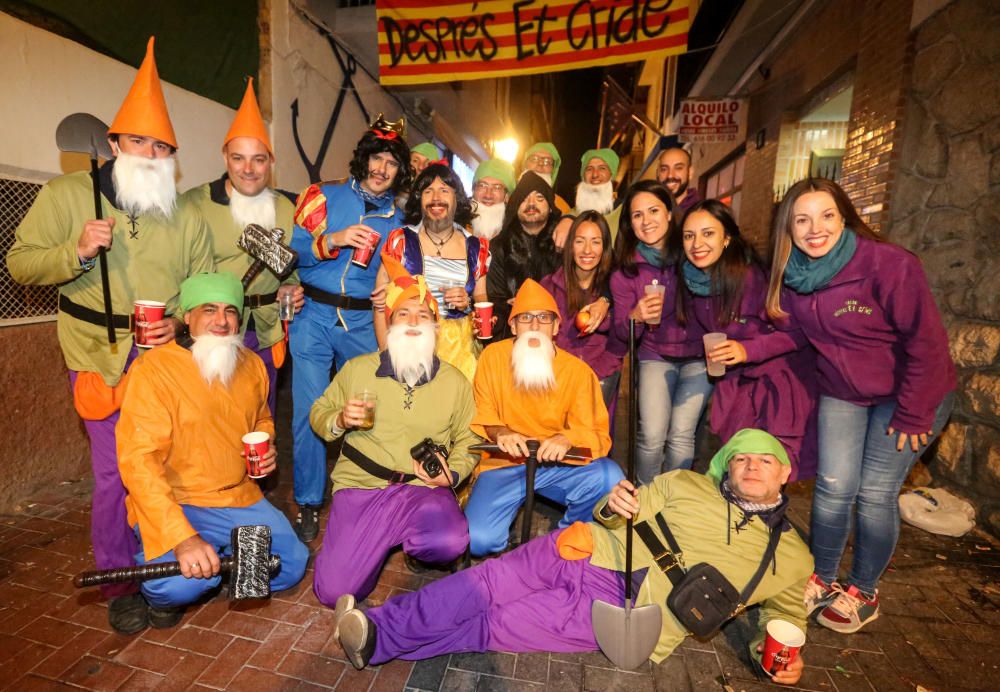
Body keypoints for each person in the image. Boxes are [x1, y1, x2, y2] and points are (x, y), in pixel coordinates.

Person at [334, 428, 811, 689]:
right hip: (587, 549)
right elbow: (612, 513)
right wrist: (611, 504)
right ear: (726, 465)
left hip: (630, 615)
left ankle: (376, 643)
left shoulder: (792, 557)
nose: (751, 467)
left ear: (784, 473)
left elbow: (786, 616)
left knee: (497, 623)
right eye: (742, 459)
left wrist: (773, 659)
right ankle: (378, 630)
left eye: (764, 461)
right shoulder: (685, 483)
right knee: (484, 585)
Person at [6, 37, 214, 634]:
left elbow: (200, 288)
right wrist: (74, 250)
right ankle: (122, 583)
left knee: (162, 465)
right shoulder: (66, 196)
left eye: (163, 146)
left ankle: (161, 573)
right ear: (117, 143)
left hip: (162, 356)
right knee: (113, 474)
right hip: (96, 354)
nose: (152, 152)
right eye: (141, 141)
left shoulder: (187, 214)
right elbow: (21, 263)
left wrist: (181, 322)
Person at [767, 178, 955, 633]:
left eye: (827, 215)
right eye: (802, 219)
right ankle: (823, 577)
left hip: (910, 393)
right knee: (833, 486)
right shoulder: (792, 276)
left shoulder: (888, 265)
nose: (816, 229)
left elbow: (927, 344)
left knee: (873, 493)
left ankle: (864, 590)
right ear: (787, 230)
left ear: (845, 216)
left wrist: (914, 412)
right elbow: (792, 335)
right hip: (844, 394)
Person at [117, 272, 308, 628]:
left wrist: (267, 451)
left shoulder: (251, 364)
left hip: (237, 497)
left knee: (291, 564)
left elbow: (262, 420)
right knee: (173, 586)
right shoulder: (153, 369)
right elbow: (138, 463)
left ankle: (219, 557)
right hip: (179, 501)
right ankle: (209, 559)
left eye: (230, 311)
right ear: (187, 317)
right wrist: (183, 538)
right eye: (209, 310)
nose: (221, 321)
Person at [308, 260, 480, 607]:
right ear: (389, 322)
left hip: (422, 489)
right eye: (403, 314)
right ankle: (371, 548)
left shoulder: (454, 381)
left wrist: (453, 473)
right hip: (362, 487)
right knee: (333, 592)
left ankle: (414, 541)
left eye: (423, 314)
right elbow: (318, 414)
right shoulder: (358, 370)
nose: (414, 321)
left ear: (436, 325)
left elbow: (470, 439)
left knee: (448, 541)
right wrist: (340, 419)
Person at [288, 115, 410, 542]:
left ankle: (361, 495)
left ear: (399, 171)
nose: (382, 169)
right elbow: (295, 252)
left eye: (391, 164)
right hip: (313, 317)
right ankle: (308, 501)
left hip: (361, 320)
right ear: (364, 159)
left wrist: (389, 294)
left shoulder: (399, 219)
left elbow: (402, 274)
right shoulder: (321, 195)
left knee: (366, 412)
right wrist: (333, 239)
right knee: (309, 410)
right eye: (376, 158)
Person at [464, 279, 624, 557]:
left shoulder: (577, 371)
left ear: (556, 327)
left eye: (544, 318)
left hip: (556, 463)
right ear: (513, 326)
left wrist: (567, 438)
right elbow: (485, 411)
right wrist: (501, 433)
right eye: (526, 318)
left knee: (610, 477)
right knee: (479, 541)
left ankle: (561, 543)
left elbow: (595, 430)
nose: (535, 326)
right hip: (505, 461)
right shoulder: (492, 357)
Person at [180, 79, 302, 416]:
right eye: (238, 158)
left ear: (271, 161)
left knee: (260, 415)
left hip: (263, 332)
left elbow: (301, 263)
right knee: (210, 418)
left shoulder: (288, 210)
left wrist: (293, 286)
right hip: (210, 333)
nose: (248, 169)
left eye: (258, 160)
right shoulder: (193, 205)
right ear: (225, 157)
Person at [673, 200, 817, 480]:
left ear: (726, 238)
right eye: (689, 236)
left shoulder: (752, 279)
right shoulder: (693, 279)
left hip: (776, 387)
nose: (697, 243)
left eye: (708, 233)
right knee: (738, 469)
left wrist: (746, 349)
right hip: (736, 385)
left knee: (765, 472)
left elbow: (796, 332)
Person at [610, 181, 709, 485]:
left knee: (681, 436)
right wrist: (635, 316)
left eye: (653, 210)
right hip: (654, 355)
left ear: (669, 213)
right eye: (637, 215)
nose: (646, 220)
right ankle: (645, 498)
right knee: (652, 435)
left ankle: (675, 501)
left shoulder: (695, 253)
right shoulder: (626, 270)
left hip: (699, 358)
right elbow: (619, 332)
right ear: (630, 223)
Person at [376, 163, 490, 381]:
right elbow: (380, 304)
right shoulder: (400, 241)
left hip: (460, 354)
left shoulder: (477, 248)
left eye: (444, 190)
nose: (436, 198)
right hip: (409, 343)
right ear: (419, 199)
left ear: (458, 199)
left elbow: (482, 299)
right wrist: (385, 355)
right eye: (428, 191)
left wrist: (468, 303)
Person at [540, 211, 622, 413]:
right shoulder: (549, 285)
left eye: (596, 242)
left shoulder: (615, 289)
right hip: (556, 377)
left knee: (589, 440)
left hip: (599, 376)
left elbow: (619, 344)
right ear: (570, 245)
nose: (587, 250)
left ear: (605, 248)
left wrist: (593, 374)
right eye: (580, 241)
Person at [486, 171, 562, 340]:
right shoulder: (499, 246)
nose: (531, 203)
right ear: (515, 207)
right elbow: (494, 298)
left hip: (558, 334)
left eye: (539, 198)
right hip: (511, 334)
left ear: (550, 207)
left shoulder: (562, 243)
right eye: (524, 198)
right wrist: (509, 305)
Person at [470, 158, 516, 240]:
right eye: (482, 186)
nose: (488, 195)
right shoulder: (456, 228)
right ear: (473, 190)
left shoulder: (514, 234)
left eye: (497, 187)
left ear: (507, 196)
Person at [521, 142, 571, 213]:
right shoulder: (507, 199)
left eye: (547, 162)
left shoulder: (561, 207)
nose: (540, 164)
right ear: (524, 165)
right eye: (534, 159)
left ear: (553, 171)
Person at [656, 147, 702, 213]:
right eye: (664, 169)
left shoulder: (701, 213)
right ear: (657, 173)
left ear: (690, 173)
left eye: (678, 168)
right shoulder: (651, 211)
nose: (670, 175)